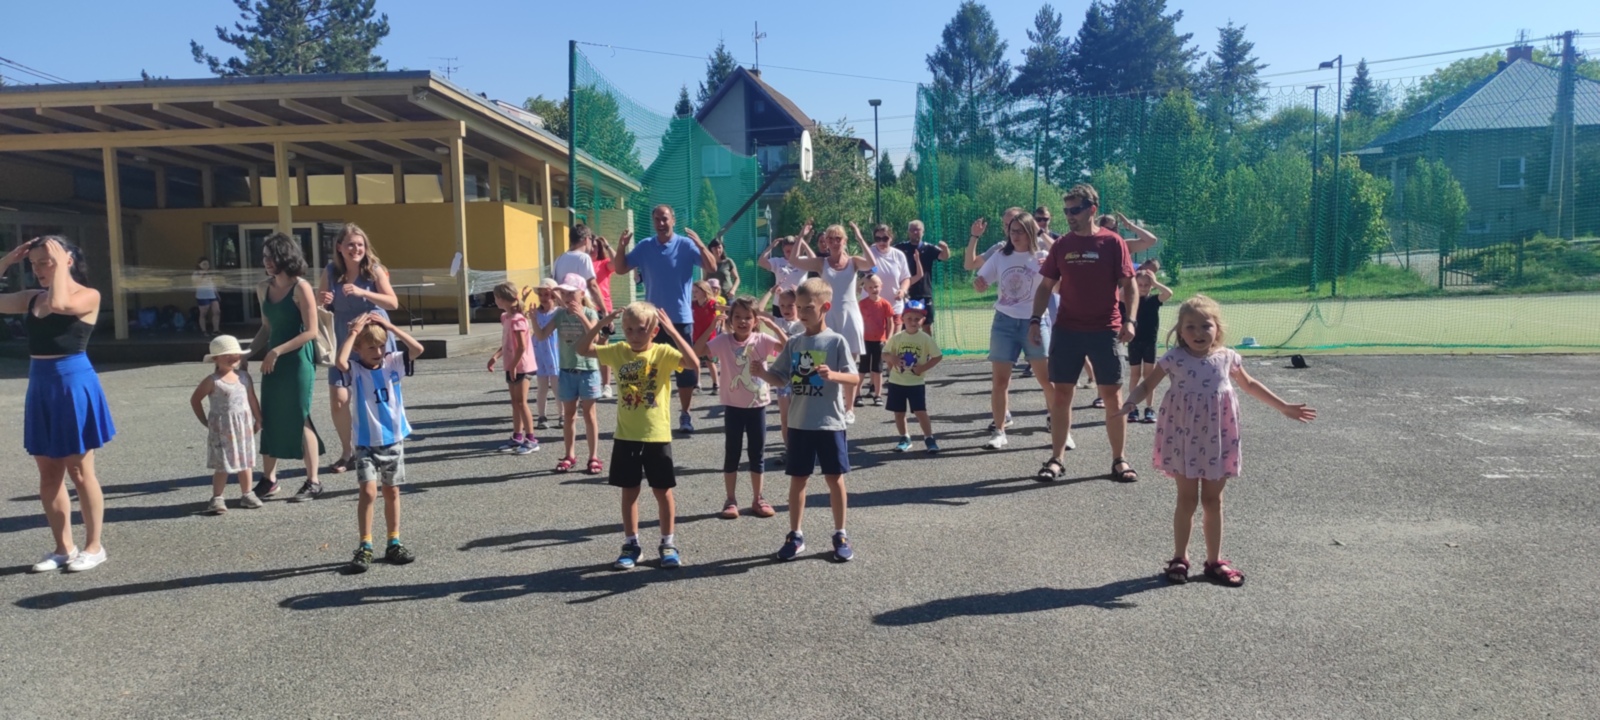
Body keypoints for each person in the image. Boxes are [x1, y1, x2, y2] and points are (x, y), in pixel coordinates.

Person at [1121, 295, 1317, 587]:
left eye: (1206, 326)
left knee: (1213, 501)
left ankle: (1214, 561)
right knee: (1187, 499)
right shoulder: (1174, 358)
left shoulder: (1227, 357)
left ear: (1217, 328)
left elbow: (1250, 385)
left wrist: (1283, 406)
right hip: (1184, 437)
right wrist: (1130, 402)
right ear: (1180, 331)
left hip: (1218, 438)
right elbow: (1148, 383)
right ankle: (1180, 557)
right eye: (1190, 327)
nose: (1198, 332)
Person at [1, 236, 114, 572]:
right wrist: (7, 260)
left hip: (72, 383)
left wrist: (61, 263)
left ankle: (94, 547)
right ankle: (63, 548)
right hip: (41, 384)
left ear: (66, 261)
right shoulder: (32, 298)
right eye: (33, 263)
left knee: (80, 470)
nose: (37, 269)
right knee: (48, 473)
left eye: (44, 261)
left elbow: (62, 304)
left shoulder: (88, 295)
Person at [1029, 184, 1139, 483]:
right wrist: (1035, 320)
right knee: (1062, 395)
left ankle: (1119, 460)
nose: (1069, 216)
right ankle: (1056, 459)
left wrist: (1130, 320)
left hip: (1106, 330)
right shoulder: (1062, 245)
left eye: (1075, 210)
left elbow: (1129, 285)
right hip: (1068, 329)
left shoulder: (1113, 242)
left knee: (1112, 397)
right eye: (1066, 211)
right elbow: (1045, 286)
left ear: (1092, 208)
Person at [579, 302, 699, 570]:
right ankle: (631, 544)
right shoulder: (618, 351)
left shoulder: (663, 352)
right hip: (626, 436)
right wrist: (601, 324)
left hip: (657, 435)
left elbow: (692, 363)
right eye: (629, 329)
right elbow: (583, 349)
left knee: (662, 491)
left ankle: (668, 543)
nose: (634, 335)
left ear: (654, 331)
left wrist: (673, 332)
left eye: (641, 329)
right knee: (629, 491)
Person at [752, 277, 860, 563]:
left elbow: (854, 378)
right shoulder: (795, 343)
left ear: (825, 307)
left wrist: (833, 375)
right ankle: (796, 535)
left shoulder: (836, 341)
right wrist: (763, 374)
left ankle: (840, 534)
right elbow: (781, 378)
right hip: (799, 424)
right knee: (798, 479)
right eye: (798, 307)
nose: (800, 312)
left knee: (834, 479)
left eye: (807, 307)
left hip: (829, 423)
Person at [610, 205, 718, 435]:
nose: (661, 223)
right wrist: (621, 247)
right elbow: (620, 268)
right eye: (657, 219)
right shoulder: (645, 246)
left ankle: (685, 414)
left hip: (680, 319)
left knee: (685, 370)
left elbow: (711, 266)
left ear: (673, 220)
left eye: (665, 219)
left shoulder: (686, 245)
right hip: (652, 320)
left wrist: (700, 244)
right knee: (648, 368)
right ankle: (649, 411)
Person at [334, 312, 424, 573]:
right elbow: (340, 361)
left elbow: (418, 349)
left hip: (392, 439)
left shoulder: (393, 362)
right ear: (359, 349)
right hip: (365, 442)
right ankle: (365, 544)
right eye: (371, 347)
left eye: (381, 346)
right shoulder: (356, 370)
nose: (377, 351)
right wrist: (353, 332)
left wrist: (390, 327)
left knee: (392, 491)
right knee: (368, 492)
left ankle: (393, 542)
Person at [249, 232, 326, 503]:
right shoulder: (263, 288)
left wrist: (276, 351)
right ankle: (269, 479)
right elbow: (266, 327)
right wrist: (247, 353)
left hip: (297, 360)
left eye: (272, 257)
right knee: (269, 415)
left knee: (299, 415)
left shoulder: (300, 287)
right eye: (264, 257)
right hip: (273, 362)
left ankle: (313, 481)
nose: (267, 262)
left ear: (286, 257)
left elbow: (311, 332)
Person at [318, 224, 399, 476]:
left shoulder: (374, 270)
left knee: (376, 396)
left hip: (372, 337)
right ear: (339, 248)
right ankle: (348, 452)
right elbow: (319, 304)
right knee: (339, 399)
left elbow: (393, 302)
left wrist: (363, 291)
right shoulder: (330, 271)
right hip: (344, 338)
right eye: (351, 245)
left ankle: (383, 444)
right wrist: (323, 301)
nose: (356, 249)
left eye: (360, 245)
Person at [972, 213, 1054, 451]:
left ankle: (1059, 426)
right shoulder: (1001, 255)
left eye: (1020, 231)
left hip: (1035, 322)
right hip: (1004, 322)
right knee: (1000, 381)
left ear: (1031, 232)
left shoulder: (1042, 256)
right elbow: (981, 283)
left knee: (1047, 380)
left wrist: (1050, 268)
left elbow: (1058, 287)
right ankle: (999, 431)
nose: (1015, 235)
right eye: (1012, 231)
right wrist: (979, 285)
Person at [784, 223, 875, 421]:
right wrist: (801, 235)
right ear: (826, 242)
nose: (834, 243)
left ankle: (849, 409)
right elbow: (794, 260)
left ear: (844, 241)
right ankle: (827, 404)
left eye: (838, 239)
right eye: (830, 239)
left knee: (849, 364)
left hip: (850, 314)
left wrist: (859, 237)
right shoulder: (821, 263)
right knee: (824, 360)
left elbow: (871, 262)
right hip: (827, 314)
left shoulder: (854, 262)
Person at [707, 296, 788, 519]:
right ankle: (730, 499)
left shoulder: (762, 339)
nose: (742, 321)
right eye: (737, 317)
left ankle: (758, 498)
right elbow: (698, 351)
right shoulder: (723, 341)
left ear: (755, 321)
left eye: (747, 317)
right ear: (730, 320)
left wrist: (775, 328)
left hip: (757, 406)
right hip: (733, 407)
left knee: (757, 453)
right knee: (732, 453)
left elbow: (789, 349)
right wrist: (711, 328)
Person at [535, 274, 603, 474]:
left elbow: (595, 338)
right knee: (569, 415)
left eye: (571, 293)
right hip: (566, 371)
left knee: (590, 415)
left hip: (588, 370)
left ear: (582, 294)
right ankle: (569, 455)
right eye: (564, 293)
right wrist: (532, 319)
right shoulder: (559, 315)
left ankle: (593, 456)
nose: (567, 297)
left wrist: (581, 315)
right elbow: (541, 335)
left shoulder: (590, 313)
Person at [189, 335, 263, 514]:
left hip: (243, 427)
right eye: (226, 355)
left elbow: (252, 399)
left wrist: (258, 418)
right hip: (222, 429)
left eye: (235, 354)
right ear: (216, 359)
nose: (233, 358)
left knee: (245, 461)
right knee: (222, 464)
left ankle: (247, 493)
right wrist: (205, 421)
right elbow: (195, 400)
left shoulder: (244, 377)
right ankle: (217, 497)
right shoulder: (213, 381)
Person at [882, 300, 943, 453]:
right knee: (899, 412)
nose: (913, 322)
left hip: (916, 382)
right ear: (902, 318)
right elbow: (884, 353)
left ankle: (929, 438)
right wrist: (892, 358)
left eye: (917, 319)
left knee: (920, 412)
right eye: (909, 318)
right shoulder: (897, 337)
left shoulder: (925, 339)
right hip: (896, 382)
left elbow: (937, 356)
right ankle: (904, 438)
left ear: (923, 320)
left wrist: (922, 368)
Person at [487, 283, 539, 454]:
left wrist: (515, 365)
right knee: (515, 402)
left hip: (522, 366)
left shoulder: (518, 320)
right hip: (511, 365)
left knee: (522, 402)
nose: (495, 300)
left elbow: (522, 346)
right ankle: (517, 436)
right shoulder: (505, 317)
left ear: (502, 299)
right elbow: (508, 343)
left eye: (496, 297)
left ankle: (531, 439)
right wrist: (496, 356)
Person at [1126, 269, 1174, 425]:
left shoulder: (1154, 300)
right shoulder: (1131, 300)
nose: (1143, 287)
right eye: (1140, 285)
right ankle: (1132, 407)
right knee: (1135, 375)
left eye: (1146, 285)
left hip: (1149, 343)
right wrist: (1131, 284)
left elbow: (1168, 293)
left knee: (1149, 376)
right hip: (1134, 342)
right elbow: (1118, 295)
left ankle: (1149, 408)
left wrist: (1155, 282)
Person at [855, 222, 912, 334]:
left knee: (894, 342)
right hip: (872, 308)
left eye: (885, 238)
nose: (881, 242)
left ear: (891, 238)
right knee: (874, 343)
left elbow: (906, 278)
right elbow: (871, 270)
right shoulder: (869, 253)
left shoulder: (899, 255)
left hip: (894, 307)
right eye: (878, 239)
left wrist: (902, 290)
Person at [895, 220, 950, 326]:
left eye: (917, 230)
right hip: (906, 292)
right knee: (904, 325)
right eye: (912, 230)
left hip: (924, 292)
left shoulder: (929, 248)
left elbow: (944, 256)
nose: (915, 232)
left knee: (926, 325)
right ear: (908, 232)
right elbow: (886, 251)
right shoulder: (900, 248)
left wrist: (945, 248)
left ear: (923, 232)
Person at [856, 274, 894, 406]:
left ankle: (878, 395)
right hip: (865, 340)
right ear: (866, 289)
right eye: (870, 287)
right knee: (862, 368)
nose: (874, 289)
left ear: (881, 286)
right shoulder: (862, 304)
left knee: (877, 369)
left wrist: (888, 338)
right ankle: (857, 394)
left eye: (876, 286)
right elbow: (858, 322)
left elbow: (890, 322)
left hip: (879, 341)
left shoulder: (885, 304)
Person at [588, 233, 618, 399]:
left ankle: (606, 385)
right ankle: (592, 382)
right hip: (586, 308)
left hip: (603, 308)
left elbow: (616, 263)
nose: (593, 249)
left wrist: (607, 245)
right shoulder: (583, 262)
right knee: (588, 344)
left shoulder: (604, 263)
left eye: (596, 246)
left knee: (603, 346)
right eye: (591, 245)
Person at [553, 224, 607, 312]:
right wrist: (604, 311)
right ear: (586, 239)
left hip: (564, 311)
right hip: (580, 309)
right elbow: (592, 286)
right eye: (591, 240)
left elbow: (554, 285)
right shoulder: (583, 257)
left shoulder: (559, 259)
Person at [532, 279, 561, 430]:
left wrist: (557, 293)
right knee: (542, 387)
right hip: (540, 351)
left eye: (547, 294)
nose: (543, 298)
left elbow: (568, 308)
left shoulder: (558, 312)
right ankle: (541, 416)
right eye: (541, 294)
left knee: (557, 386)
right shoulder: (535, 313)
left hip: (555, 351)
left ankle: (562, 415)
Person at [757, 235, 808, 316]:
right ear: (783, 250)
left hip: (798, 303)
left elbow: (814, 259)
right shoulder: (777, 261)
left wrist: (803, 243)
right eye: (787, 251)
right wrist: (771, 246)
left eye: (793, 250)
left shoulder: (804, 260)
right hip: (780, 304)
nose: (790, 254)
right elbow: (761, 262)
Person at [690, 280, 722, 394]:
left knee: (710, 362)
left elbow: (722, 308)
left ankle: (716, 384)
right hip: (697, 336)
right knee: (695, 360)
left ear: (704, 292)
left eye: (696, 291)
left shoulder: (712, 303)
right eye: (693, 291)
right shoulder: (693, 304)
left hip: (709, 337)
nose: (694, 293)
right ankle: (697, 384)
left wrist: (733, 310)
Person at [193, 257, 221, 336]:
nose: (206, 266)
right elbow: (196, 284)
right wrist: (202, 275)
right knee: (203, 313)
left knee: (217, 311)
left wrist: (217, 294)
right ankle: (204, 330)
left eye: (207, 264)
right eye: (204, 264)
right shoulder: (196, 273)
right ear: (199, 265)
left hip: (212, 294)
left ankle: (216, 330)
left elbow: (213, 284)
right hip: (202, 295)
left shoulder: (210, 273)